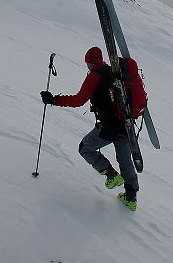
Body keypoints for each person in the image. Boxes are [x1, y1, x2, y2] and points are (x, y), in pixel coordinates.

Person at [40, 46, 139, 211]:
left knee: (85, 148)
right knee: (125, 160)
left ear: (90, 62)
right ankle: (131, 198)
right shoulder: (114, 72)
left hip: (108, 126)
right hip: (125, 125)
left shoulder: (94, 76)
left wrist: (54, 100)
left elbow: (80, 100)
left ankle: (111, 175)